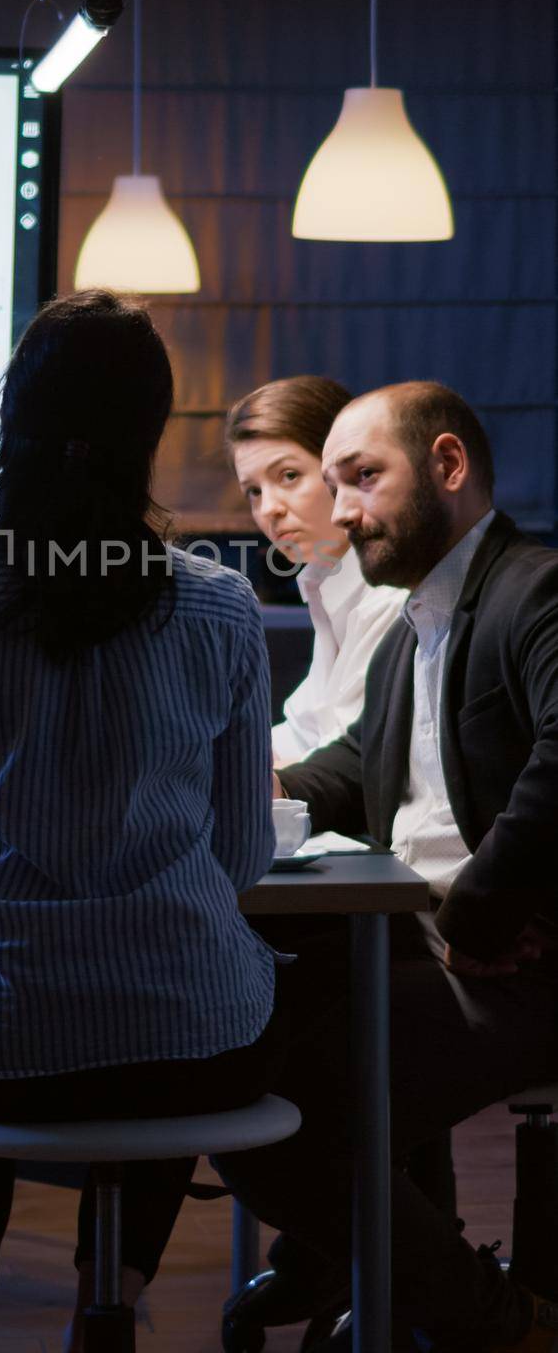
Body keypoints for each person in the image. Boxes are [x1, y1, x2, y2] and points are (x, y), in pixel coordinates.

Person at [0, 290, 285, 1353]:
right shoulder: (221, 605)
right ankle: (109, 1300)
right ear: (150, 436)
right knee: (180, 1003)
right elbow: (244, 857)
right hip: (202, 1049)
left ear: (9, 418)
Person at [217, 381, 558, 1353]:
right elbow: (351, 769)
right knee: (231, 1038)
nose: (344, 508)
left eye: (363, 478)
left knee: (270, 1117)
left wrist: (483, 914)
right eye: (334, 482)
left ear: (448, 467)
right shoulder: (417, 625)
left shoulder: (536, 589)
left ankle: (493, 1322)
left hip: (509, 967)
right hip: (423, 945)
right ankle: (404, 1285)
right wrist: (210, 785)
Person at [227, 375, 404, 763]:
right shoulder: (324, 581)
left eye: (288, 476)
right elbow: (304, 732)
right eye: (254, 491)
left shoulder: (393, 596)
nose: (269, 508)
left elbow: (345, 759)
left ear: (344, 469)